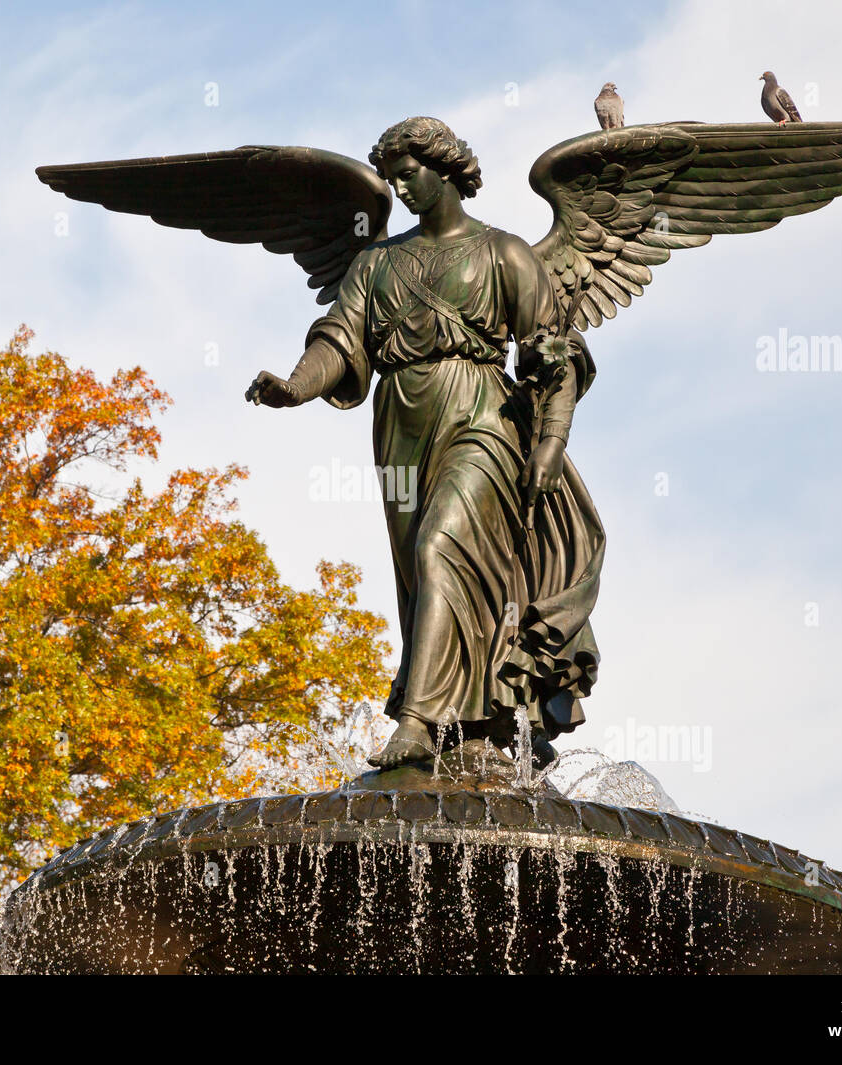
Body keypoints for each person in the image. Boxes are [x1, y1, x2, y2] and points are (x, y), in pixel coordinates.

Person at [246, 117, 604, 770]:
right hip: (401, 425)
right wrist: (296, 386)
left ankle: (416, 718)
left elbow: (554, 352)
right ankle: (475, 720)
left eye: (410, 175)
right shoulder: (377, 263)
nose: (401, 189)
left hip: (484, 416)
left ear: (445, 168)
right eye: (392, 180)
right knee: (423, 572)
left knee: (443, 545)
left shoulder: (504, 253)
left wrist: (550, 442)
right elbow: (340, 338)